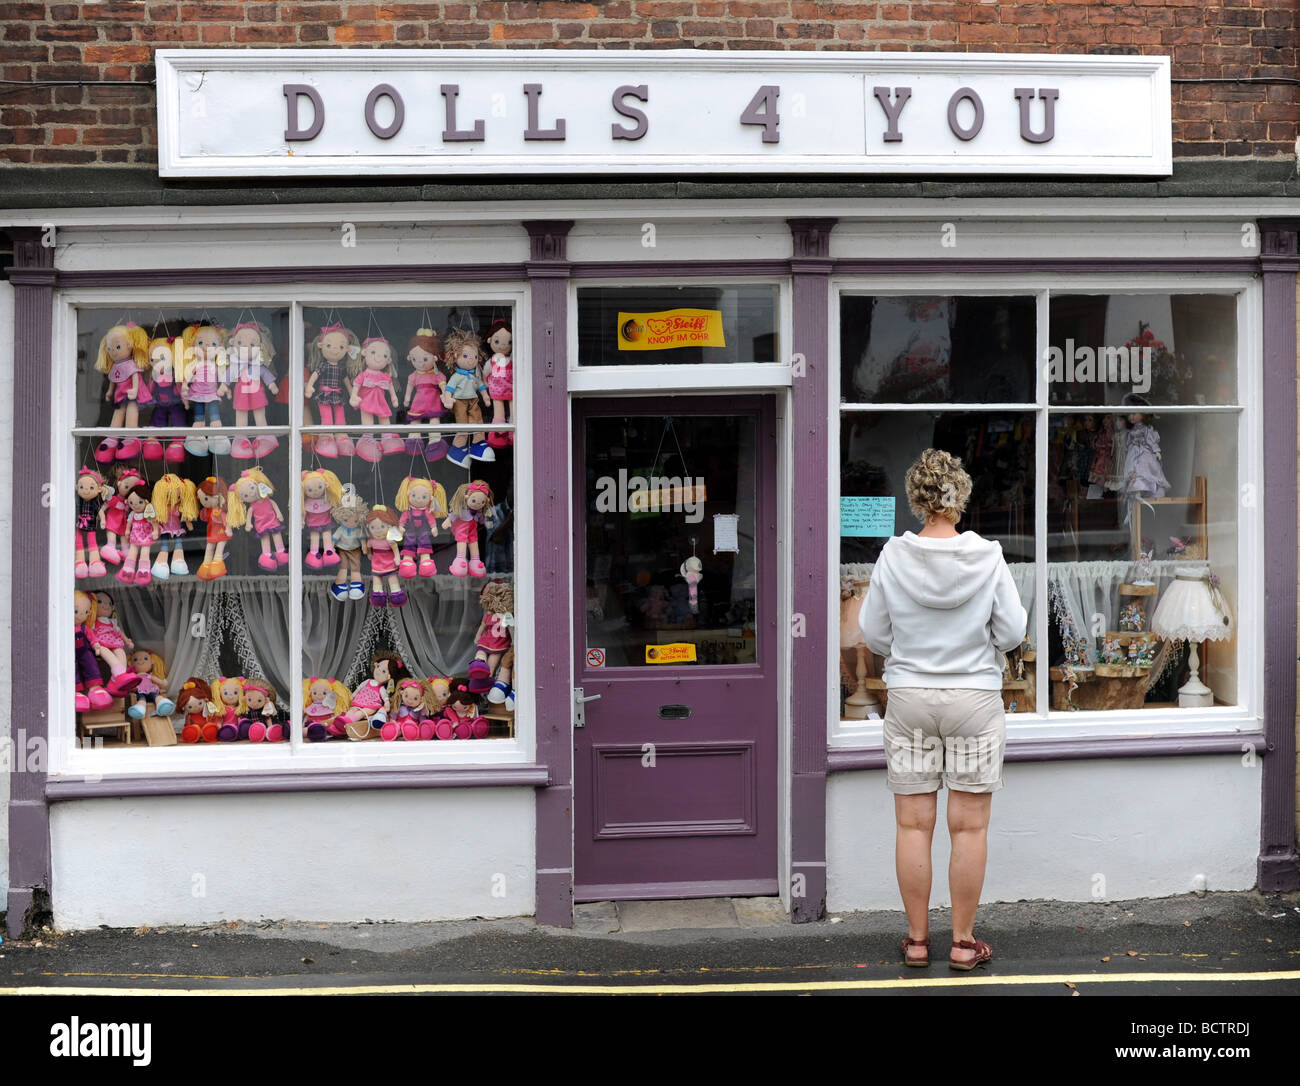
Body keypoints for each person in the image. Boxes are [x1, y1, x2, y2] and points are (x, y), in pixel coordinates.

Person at [859, 448, 1027, 971]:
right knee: (969, 828)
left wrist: (909, 648)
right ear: (961, 498)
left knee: (913, 825)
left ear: (916, 499)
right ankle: (961, 942)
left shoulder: (892, 555)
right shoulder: (988, 556)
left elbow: (872, 634)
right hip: (973, 698)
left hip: (909, 697)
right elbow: (1013, 632)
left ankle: (915, 941)